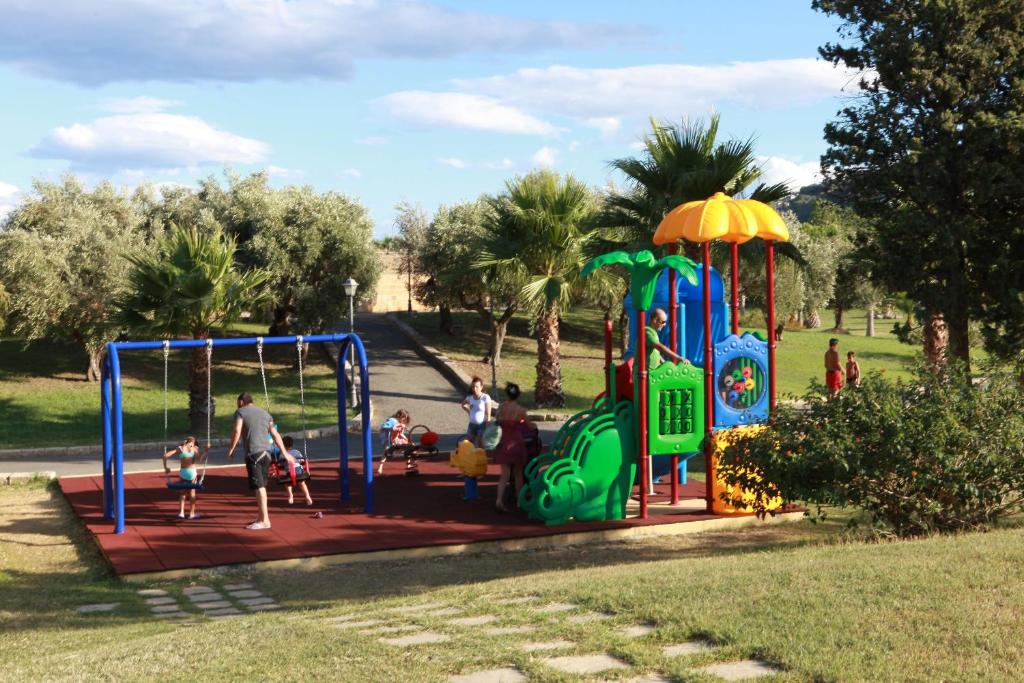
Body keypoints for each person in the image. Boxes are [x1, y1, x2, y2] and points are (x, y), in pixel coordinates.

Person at [227, 393, 290, 530]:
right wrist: (285, 453)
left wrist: (231, 449)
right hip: (267, 454)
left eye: (238, 402)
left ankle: (265, 521)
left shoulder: (240, 411)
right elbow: (275, 434)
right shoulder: (265, 413)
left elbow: (237, 431)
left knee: (259, 487)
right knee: (260, 487)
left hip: (254, 454)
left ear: (242, 401)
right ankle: (261, 517)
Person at [491, 383, 531, 513]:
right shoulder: (520, 410)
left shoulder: (501, 408)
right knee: (518, 474)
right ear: (518, 395)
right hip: (515, 442)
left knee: (504, 475)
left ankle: (498, 499)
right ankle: (519, 500)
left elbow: (496, 421)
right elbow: (529, 426)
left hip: (503, 441)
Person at [162, 436, 205, 520]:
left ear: (186, 441)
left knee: (182, 493)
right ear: (193, 443)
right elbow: (200, 459)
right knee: (192, 492)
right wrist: (206, 450)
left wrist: (166, 467)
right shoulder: (195, 449)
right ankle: (191, 514)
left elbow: (165, 456)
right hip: (192, 473)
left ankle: (181, 513)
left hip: (183, 473)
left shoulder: (181, 448)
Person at [378, 409, 414, 474]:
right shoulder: (392, 421)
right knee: (386, 451)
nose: (403, 420)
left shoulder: (400, 424)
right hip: (388, 440)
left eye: (405, 419)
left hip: (396, 439)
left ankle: (409, 464)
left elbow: (401, 434)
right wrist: (391, 428)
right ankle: (380, 466)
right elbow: (383, 426)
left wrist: (407, 440)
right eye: (403, 418)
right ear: (399, 416)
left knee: (409, 447)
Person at [280, 435, 313, 506]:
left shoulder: (283, 454)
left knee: (287, 483)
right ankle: (307, 496)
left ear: (283, 445)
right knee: (302, 483)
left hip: (289, 472)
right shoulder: (297, 452)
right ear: (292, 444)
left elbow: (281, 464)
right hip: (299, 472)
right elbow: (302, 461)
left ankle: (290, 496)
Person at [461, 377, 492, 447]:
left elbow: (488, 414)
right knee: (467, 444)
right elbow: (463, 405)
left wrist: (488, 426)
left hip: (482, 425)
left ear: (481, 387)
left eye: (476, 387)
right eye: (473, 387)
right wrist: (468, 410)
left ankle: (482, 457)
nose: (474, 389)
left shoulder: (485, 397)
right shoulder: (470, 397)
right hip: (472, 425)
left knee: (479, 444)